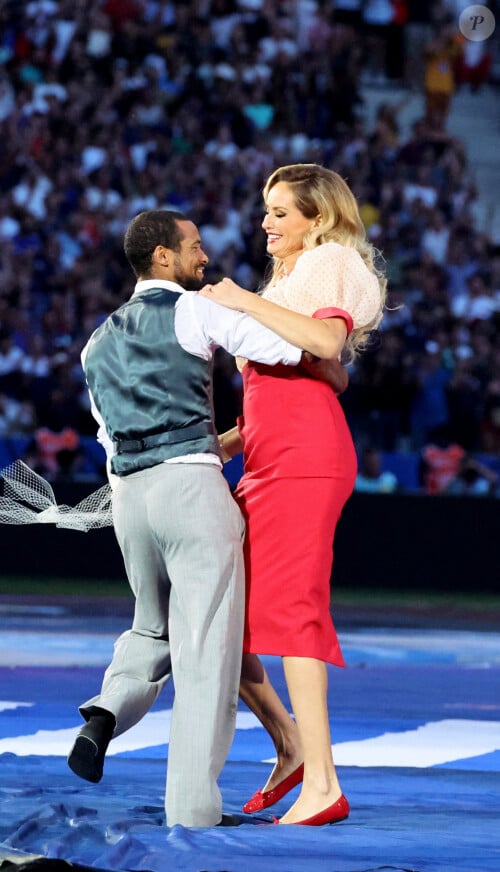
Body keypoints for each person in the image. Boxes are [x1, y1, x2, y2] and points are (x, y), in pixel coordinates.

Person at [66, 209, 347, 828]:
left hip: (129, 500)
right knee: (206, 657)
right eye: (194, 247)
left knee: (150, 628)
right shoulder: (195, 309)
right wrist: (328, 354)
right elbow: (288, 347)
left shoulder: (95, 342)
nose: (206, 258)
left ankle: (106, 712)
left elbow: (107, 438)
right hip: (192, 493)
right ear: (163, 257)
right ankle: (192, 811)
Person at [200, 163, 386, 826]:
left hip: (307, 460)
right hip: (268, 456)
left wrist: (240, 302)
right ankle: (292, 747)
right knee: (221, 609)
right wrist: (218, 444)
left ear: (318, 218)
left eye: (281, 212)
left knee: (297, 615)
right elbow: (285, 388)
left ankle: (324, 784)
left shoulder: (330, 259)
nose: (266, 223)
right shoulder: (287, 280)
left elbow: (327, 340)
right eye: (266, 210)